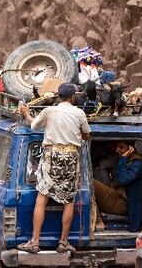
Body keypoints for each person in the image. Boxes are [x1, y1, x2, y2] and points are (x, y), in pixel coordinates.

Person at [16, 83, 91, 254]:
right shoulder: (79, 113)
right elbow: (86, 135)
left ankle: (34, 242)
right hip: (71, 157)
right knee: (69, 200)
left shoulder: (49, 111)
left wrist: (26, 113)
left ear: (58, 96)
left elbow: (33, 124)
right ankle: (63, 242)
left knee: (42, 197)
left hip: (52, 156)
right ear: (73, 98)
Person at [92, 141, 142, 232]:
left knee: (91, 184)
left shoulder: (138, 163)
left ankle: (98, 221)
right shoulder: (124, 160)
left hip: (122, 203)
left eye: (121, 147)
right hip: (116, 196)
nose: (117, 150)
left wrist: (123, 159)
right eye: (117, 147)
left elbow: (124, 179)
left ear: (130, 149)